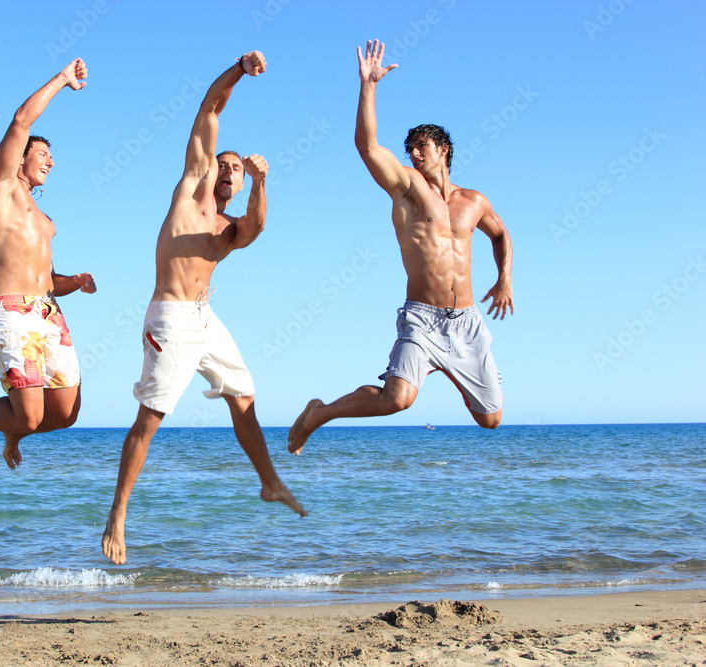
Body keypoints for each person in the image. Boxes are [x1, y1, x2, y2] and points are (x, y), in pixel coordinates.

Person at [102, 51, 306, 566]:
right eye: (226, 165)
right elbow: (210, 109)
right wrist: (240, 68)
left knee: (244, 392)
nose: (230, 172)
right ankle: (118, 514)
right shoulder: (192, 190)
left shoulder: (229, 229)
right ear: (210, 168)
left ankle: (269, 482)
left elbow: (256, 228)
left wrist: (262, 182)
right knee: (150, 418)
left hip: (204, 317)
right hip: (170, 318)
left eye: (237, 170)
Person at [287, 40, 514, 454]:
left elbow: (500, 234)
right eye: (409, 147)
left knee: (491, 419)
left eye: (421, 146)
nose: (413, 153)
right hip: (422, 318)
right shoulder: (407, 188)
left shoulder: (474, 202)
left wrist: (505, 279)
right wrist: (369, 86)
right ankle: (320, 412)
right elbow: (367, 146)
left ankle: (447, 367)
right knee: (397, 399)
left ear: (443, 150)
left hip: (466, 321)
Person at [0, 59, 97, 469]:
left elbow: (47, 279)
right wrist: (63, 80)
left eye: (51, 156)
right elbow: (21, 120)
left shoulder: (41, 218)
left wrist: (76, 280)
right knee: (29, 416)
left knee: (66, 413)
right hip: (10, 310)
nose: (50, 162)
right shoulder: (0, 188)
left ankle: (13, 428)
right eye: (42, 154)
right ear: (19, 159)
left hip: (48, 312)